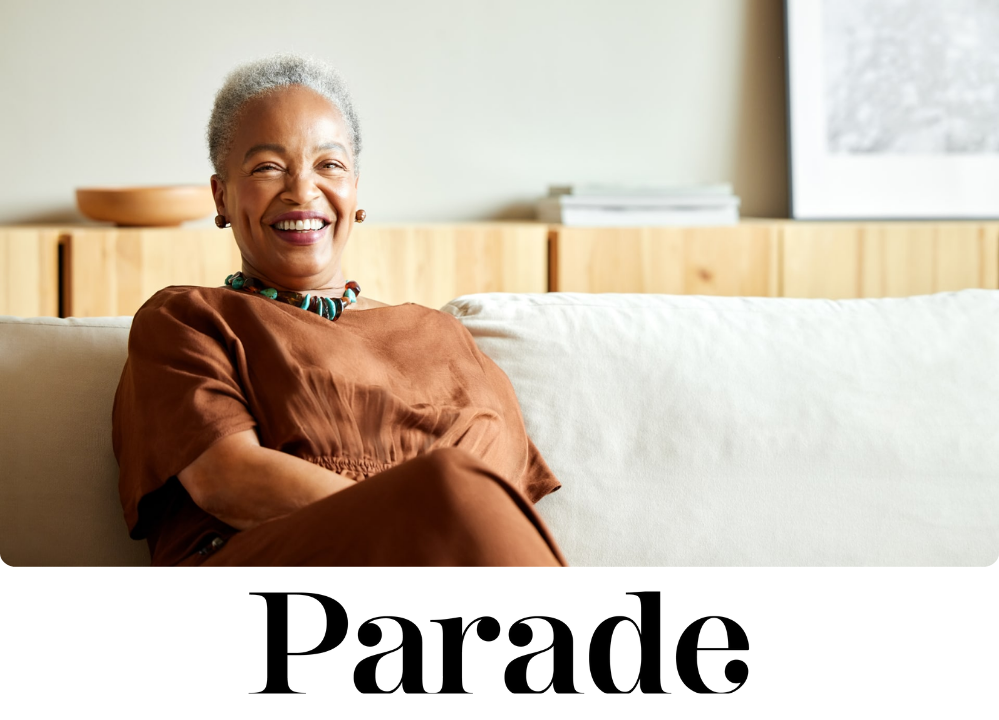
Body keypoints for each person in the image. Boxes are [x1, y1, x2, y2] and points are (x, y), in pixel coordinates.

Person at [111, 54, 565, 567]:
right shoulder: (187, 320)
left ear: (355, 192)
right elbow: (227, 479)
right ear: (221, 196)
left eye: (329, 165)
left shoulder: (444, 338)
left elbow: (503, 508)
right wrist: (423, 514)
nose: (302, 190)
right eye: (267, 167)